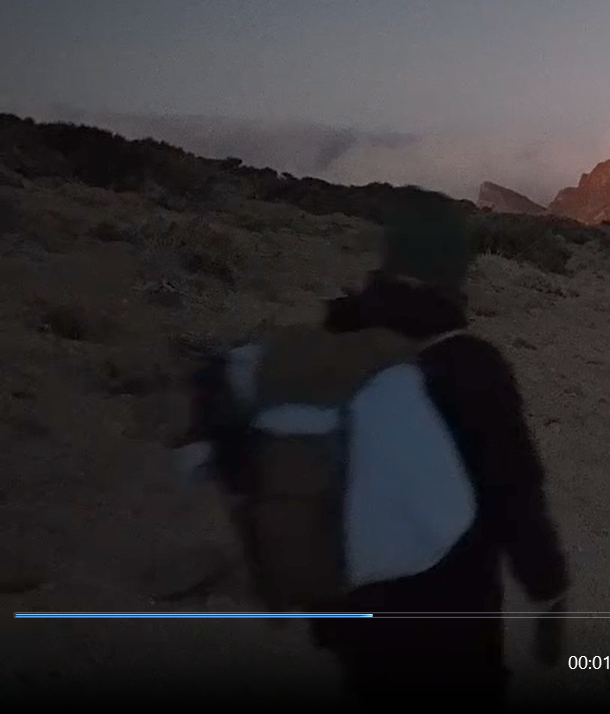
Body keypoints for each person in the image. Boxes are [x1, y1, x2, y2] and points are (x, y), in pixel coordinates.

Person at [180, 191, 570, 704]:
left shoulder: (333, 346)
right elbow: (515, 496)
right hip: (454, 619)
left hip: (356, 617)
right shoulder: (471, 364)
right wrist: (549, 590)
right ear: (456, 270)